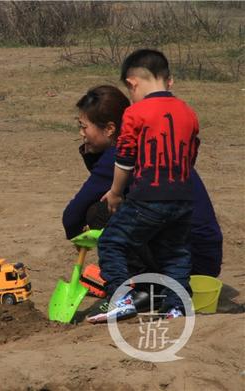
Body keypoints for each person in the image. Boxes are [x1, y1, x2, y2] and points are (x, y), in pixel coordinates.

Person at [86, 49, 201, 324]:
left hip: (149, 194)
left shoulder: (136, 113)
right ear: (168, 81)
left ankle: (121, 297)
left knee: (112, 241)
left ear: (132, 83)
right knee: (175, 252)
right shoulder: (189, 112)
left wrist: (115, 193)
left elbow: (125, 159)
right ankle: (176, 308)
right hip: (183, 196)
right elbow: (191, 155)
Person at [62, 85, 223, 280]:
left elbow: (72, 215)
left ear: (110, 129)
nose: (81, 133)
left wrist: (77, 238)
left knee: (100, 212)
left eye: (84, 126)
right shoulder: (149, 141)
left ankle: (142, 283)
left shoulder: (117, 156)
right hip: (205, 257)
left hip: (191, 263)